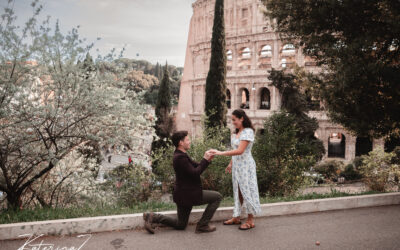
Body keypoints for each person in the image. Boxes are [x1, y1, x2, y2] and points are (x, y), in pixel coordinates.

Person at [143, 131, 222, 234]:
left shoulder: (180, 155)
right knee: (217, 197)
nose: (189, 142)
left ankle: (153, 217)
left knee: (181, 224)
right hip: (189, 194)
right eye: (187, 140)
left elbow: (196, 166)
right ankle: (203, 225)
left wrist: (207, 159)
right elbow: (195, 173)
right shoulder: (180, 158)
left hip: (183, 194)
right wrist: (205, 160)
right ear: (181, 142)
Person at [209, 109, 261, 230]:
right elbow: (235, 152)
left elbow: (240, 150)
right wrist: (231, 163)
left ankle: (250, 219)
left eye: (234, 120)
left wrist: (220, 153)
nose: (232, 122)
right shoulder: (236, 132)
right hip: (237, 166)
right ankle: (236, 216)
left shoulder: (248, 132)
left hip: (246, 166)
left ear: (241, 118)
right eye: (231, 120)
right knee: (238, 191)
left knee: (247, 190)